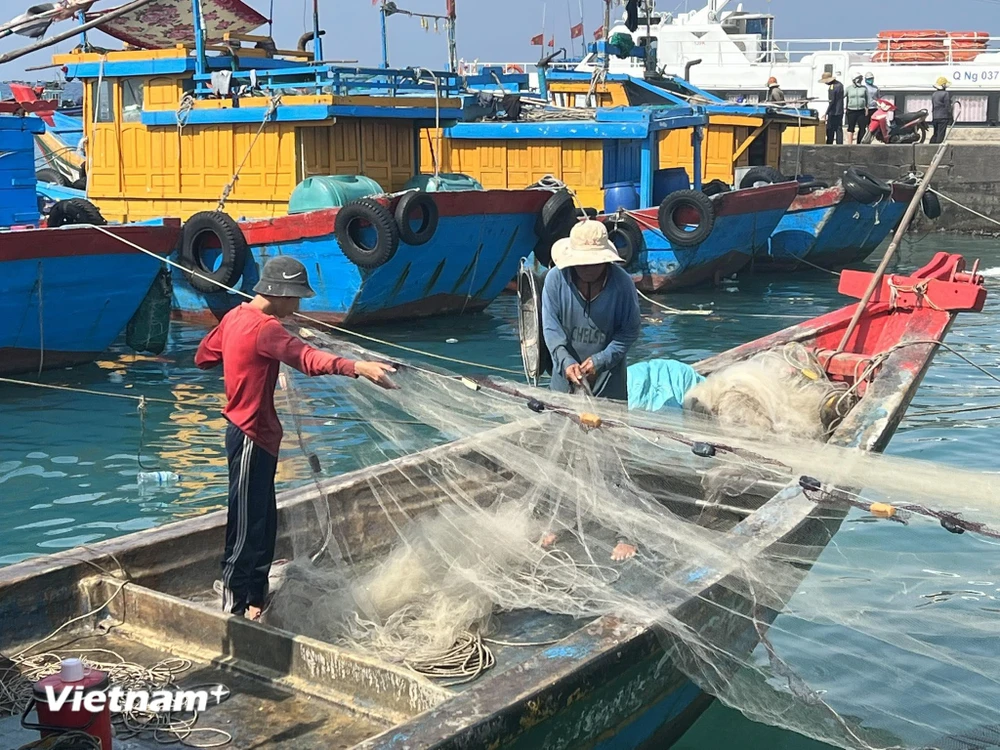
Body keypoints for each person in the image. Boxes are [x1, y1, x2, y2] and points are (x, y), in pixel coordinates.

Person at [195, 256, 396, 620]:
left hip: (260, 437)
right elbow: (307, 359)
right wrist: (358, 367)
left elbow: (203, 357)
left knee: (263, 521)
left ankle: (257, 599)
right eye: (297, 298)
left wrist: (240, 356)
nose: (299, 305)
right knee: (244, 526)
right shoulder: (265, 329)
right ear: (280, 294)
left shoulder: (236, 317)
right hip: (249, 436)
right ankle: (233, 610)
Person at [542, 220, 641, 403]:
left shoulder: (623, 284)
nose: (587, 268)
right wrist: (566, 362)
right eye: (581, 262)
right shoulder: (555, 280)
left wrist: (601, 360)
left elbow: (629, 331)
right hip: (563, 386)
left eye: (594, 262)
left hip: (610, 387)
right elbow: (551, 330)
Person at [821, 71, 845, 145]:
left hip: (833, 111)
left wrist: (826, 112)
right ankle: (839, 144)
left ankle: (829, 143)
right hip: (840, 110)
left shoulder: (832, 87)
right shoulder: (840, 84)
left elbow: (832, 101)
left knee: (830, 128)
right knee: (839, 129)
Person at [845, 74, 869, 145]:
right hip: (851, 110)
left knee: (862, 127)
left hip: (861, 110)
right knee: (851, 127)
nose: (860, 80)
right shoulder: (849, 88)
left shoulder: (864, 88)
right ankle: (850, 144)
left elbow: (867, 99)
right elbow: (842, 96)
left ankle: (860, 143)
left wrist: (866, 108)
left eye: (860, 78)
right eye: (858, 78)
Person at [931, 76, 953, 144]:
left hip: (935, 117)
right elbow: (947, 106)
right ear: (943, 85)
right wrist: (951, 117)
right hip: (943, 117)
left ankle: (931, 146)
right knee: (941, 134)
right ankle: (938, 147)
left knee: (936, 133)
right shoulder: (945, 94)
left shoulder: (934, 94)